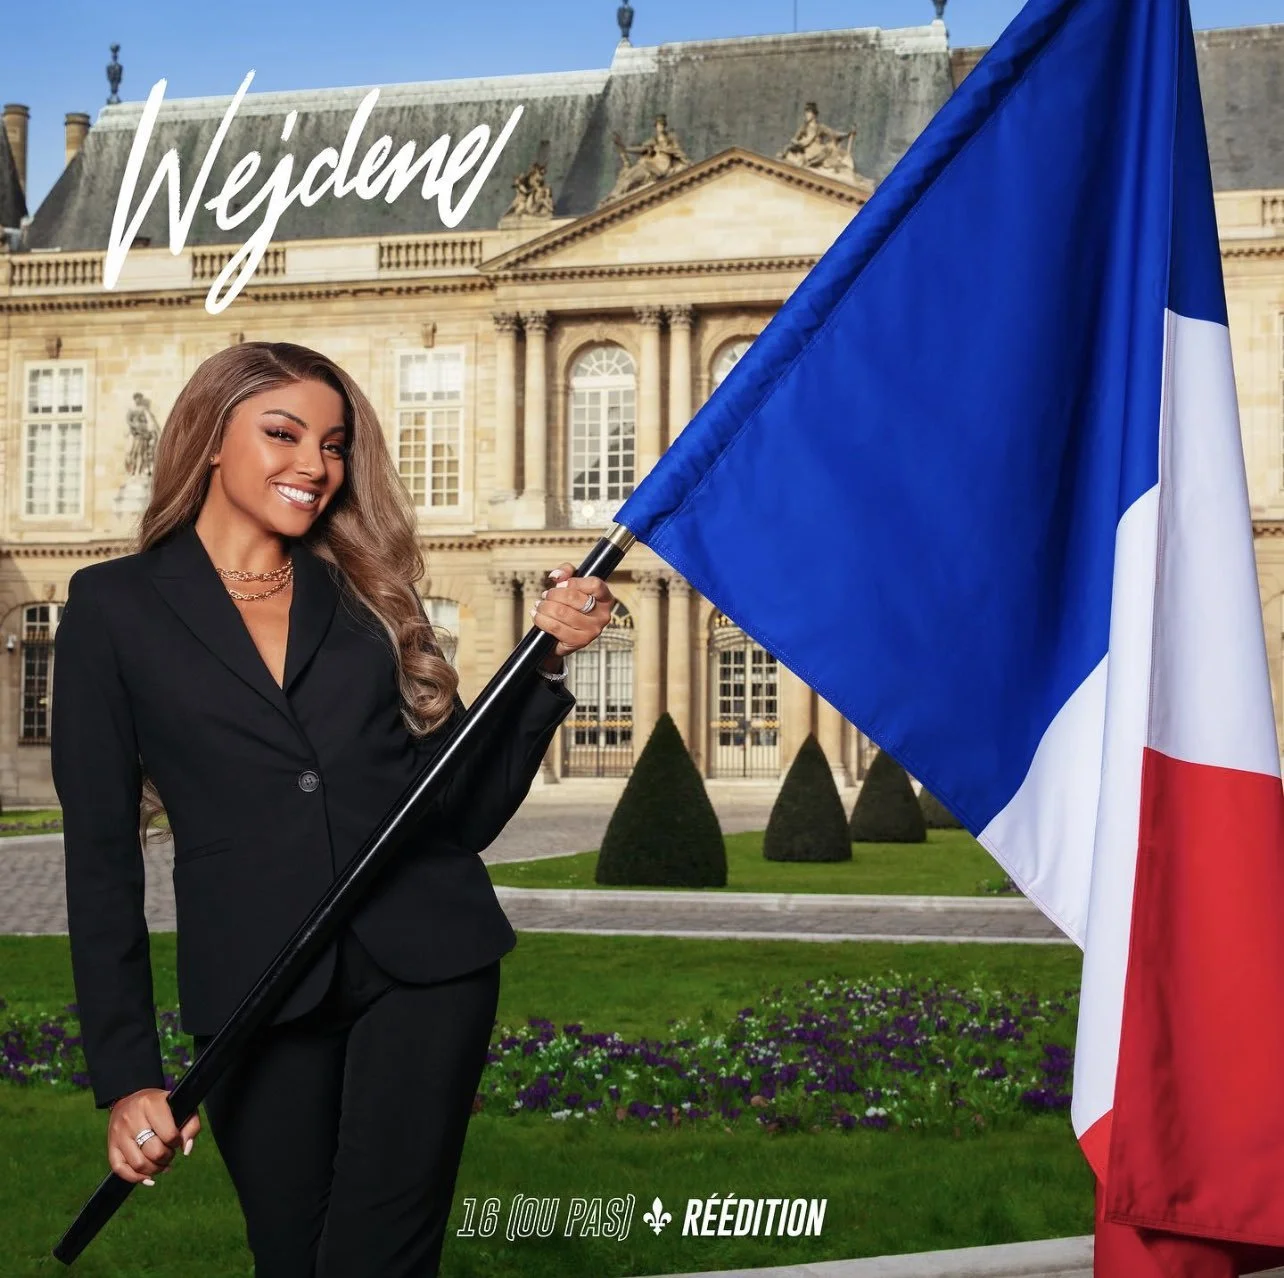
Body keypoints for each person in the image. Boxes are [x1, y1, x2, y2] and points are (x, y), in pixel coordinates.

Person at [49, 341, 615, 1276]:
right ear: (209, 438)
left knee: (377, 1259)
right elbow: (99, 855)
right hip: (253, 988)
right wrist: (127, 1077)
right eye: (283, 433)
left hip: (426, 964)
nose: (314, 464)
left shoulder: (364, 590)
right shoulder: (111, 607)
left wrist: (543, 664)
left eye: (335, 443)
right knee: (291, 1258)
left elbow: (456, 812)